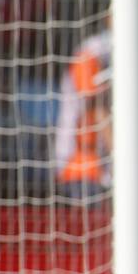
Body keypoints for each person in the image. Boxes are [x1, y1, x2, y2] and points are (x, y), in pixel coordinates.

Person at [53, 23, 112, 200]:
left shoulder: (119, 55)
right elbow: (97, 108)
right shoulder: (89, 55)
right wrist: (123, 156)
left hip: (101, 167)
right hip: (80, 166)